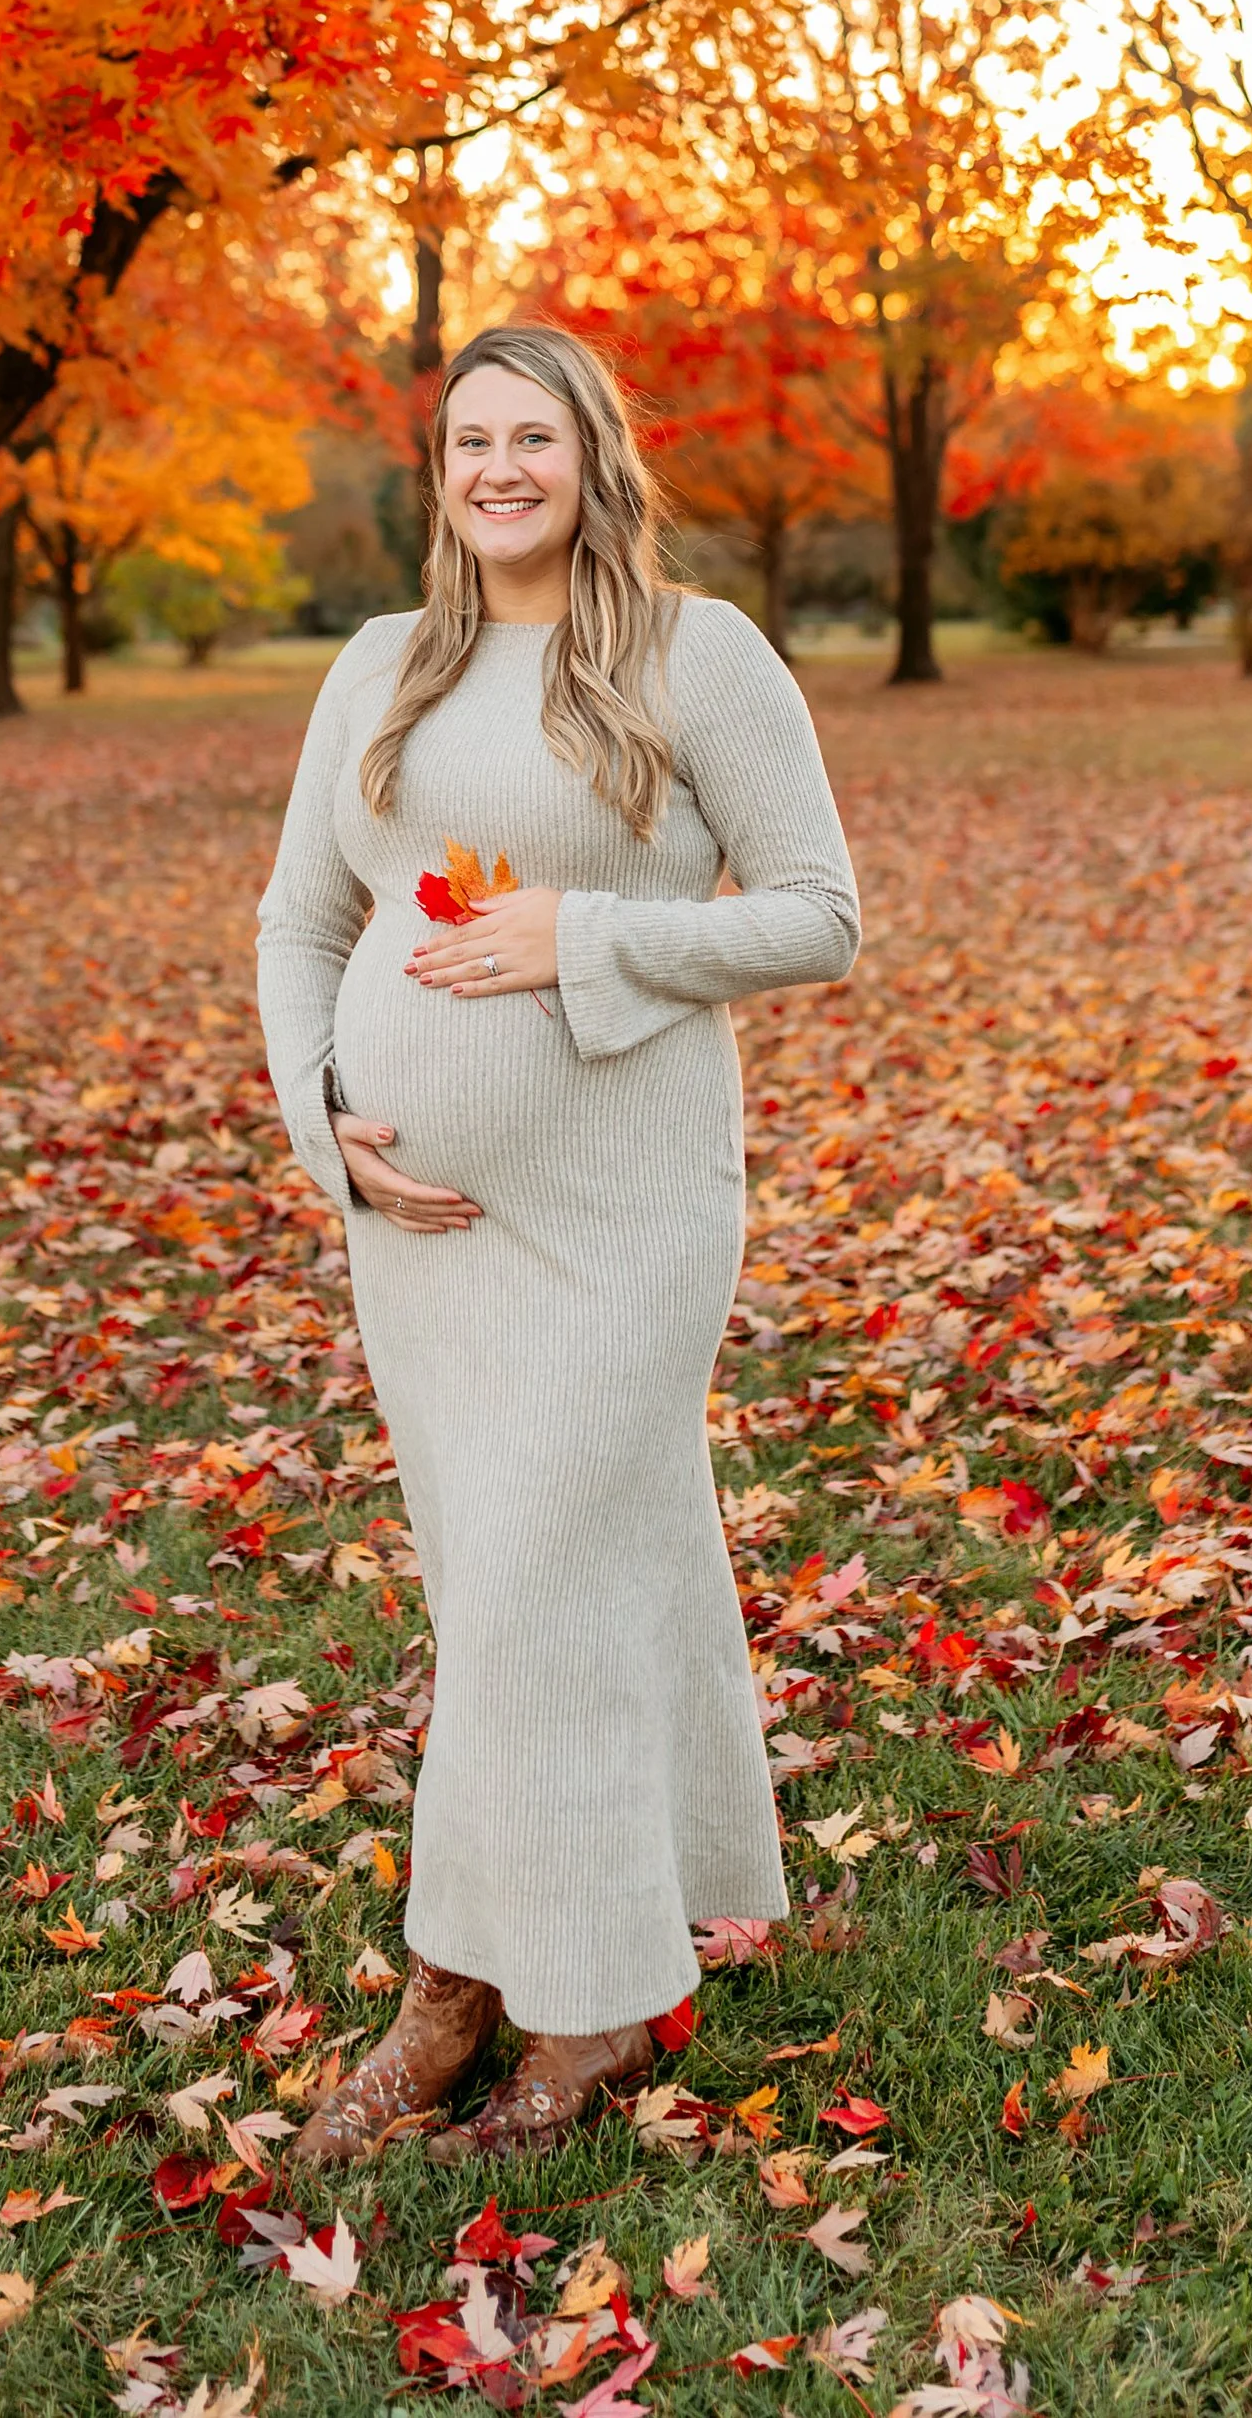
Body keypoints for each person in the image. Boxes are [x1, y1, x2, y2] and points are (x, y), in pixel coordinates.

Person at [256, 320, 862, 2170]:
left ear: (595, 456)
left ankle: (481, 1990)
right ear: (435, 474)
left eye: (533, 436)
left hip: (625, 1211)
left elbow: (819, 915)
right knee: (527, 1589)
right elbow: (298, 924)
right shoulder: (379, 666)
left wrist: (583, 940)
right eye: (466, 441)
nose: (498, 469)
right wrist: (330, 1124)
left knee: (523, 1593)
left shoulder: (699, 655)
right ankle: (607, 1939)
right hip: (422, 1237)